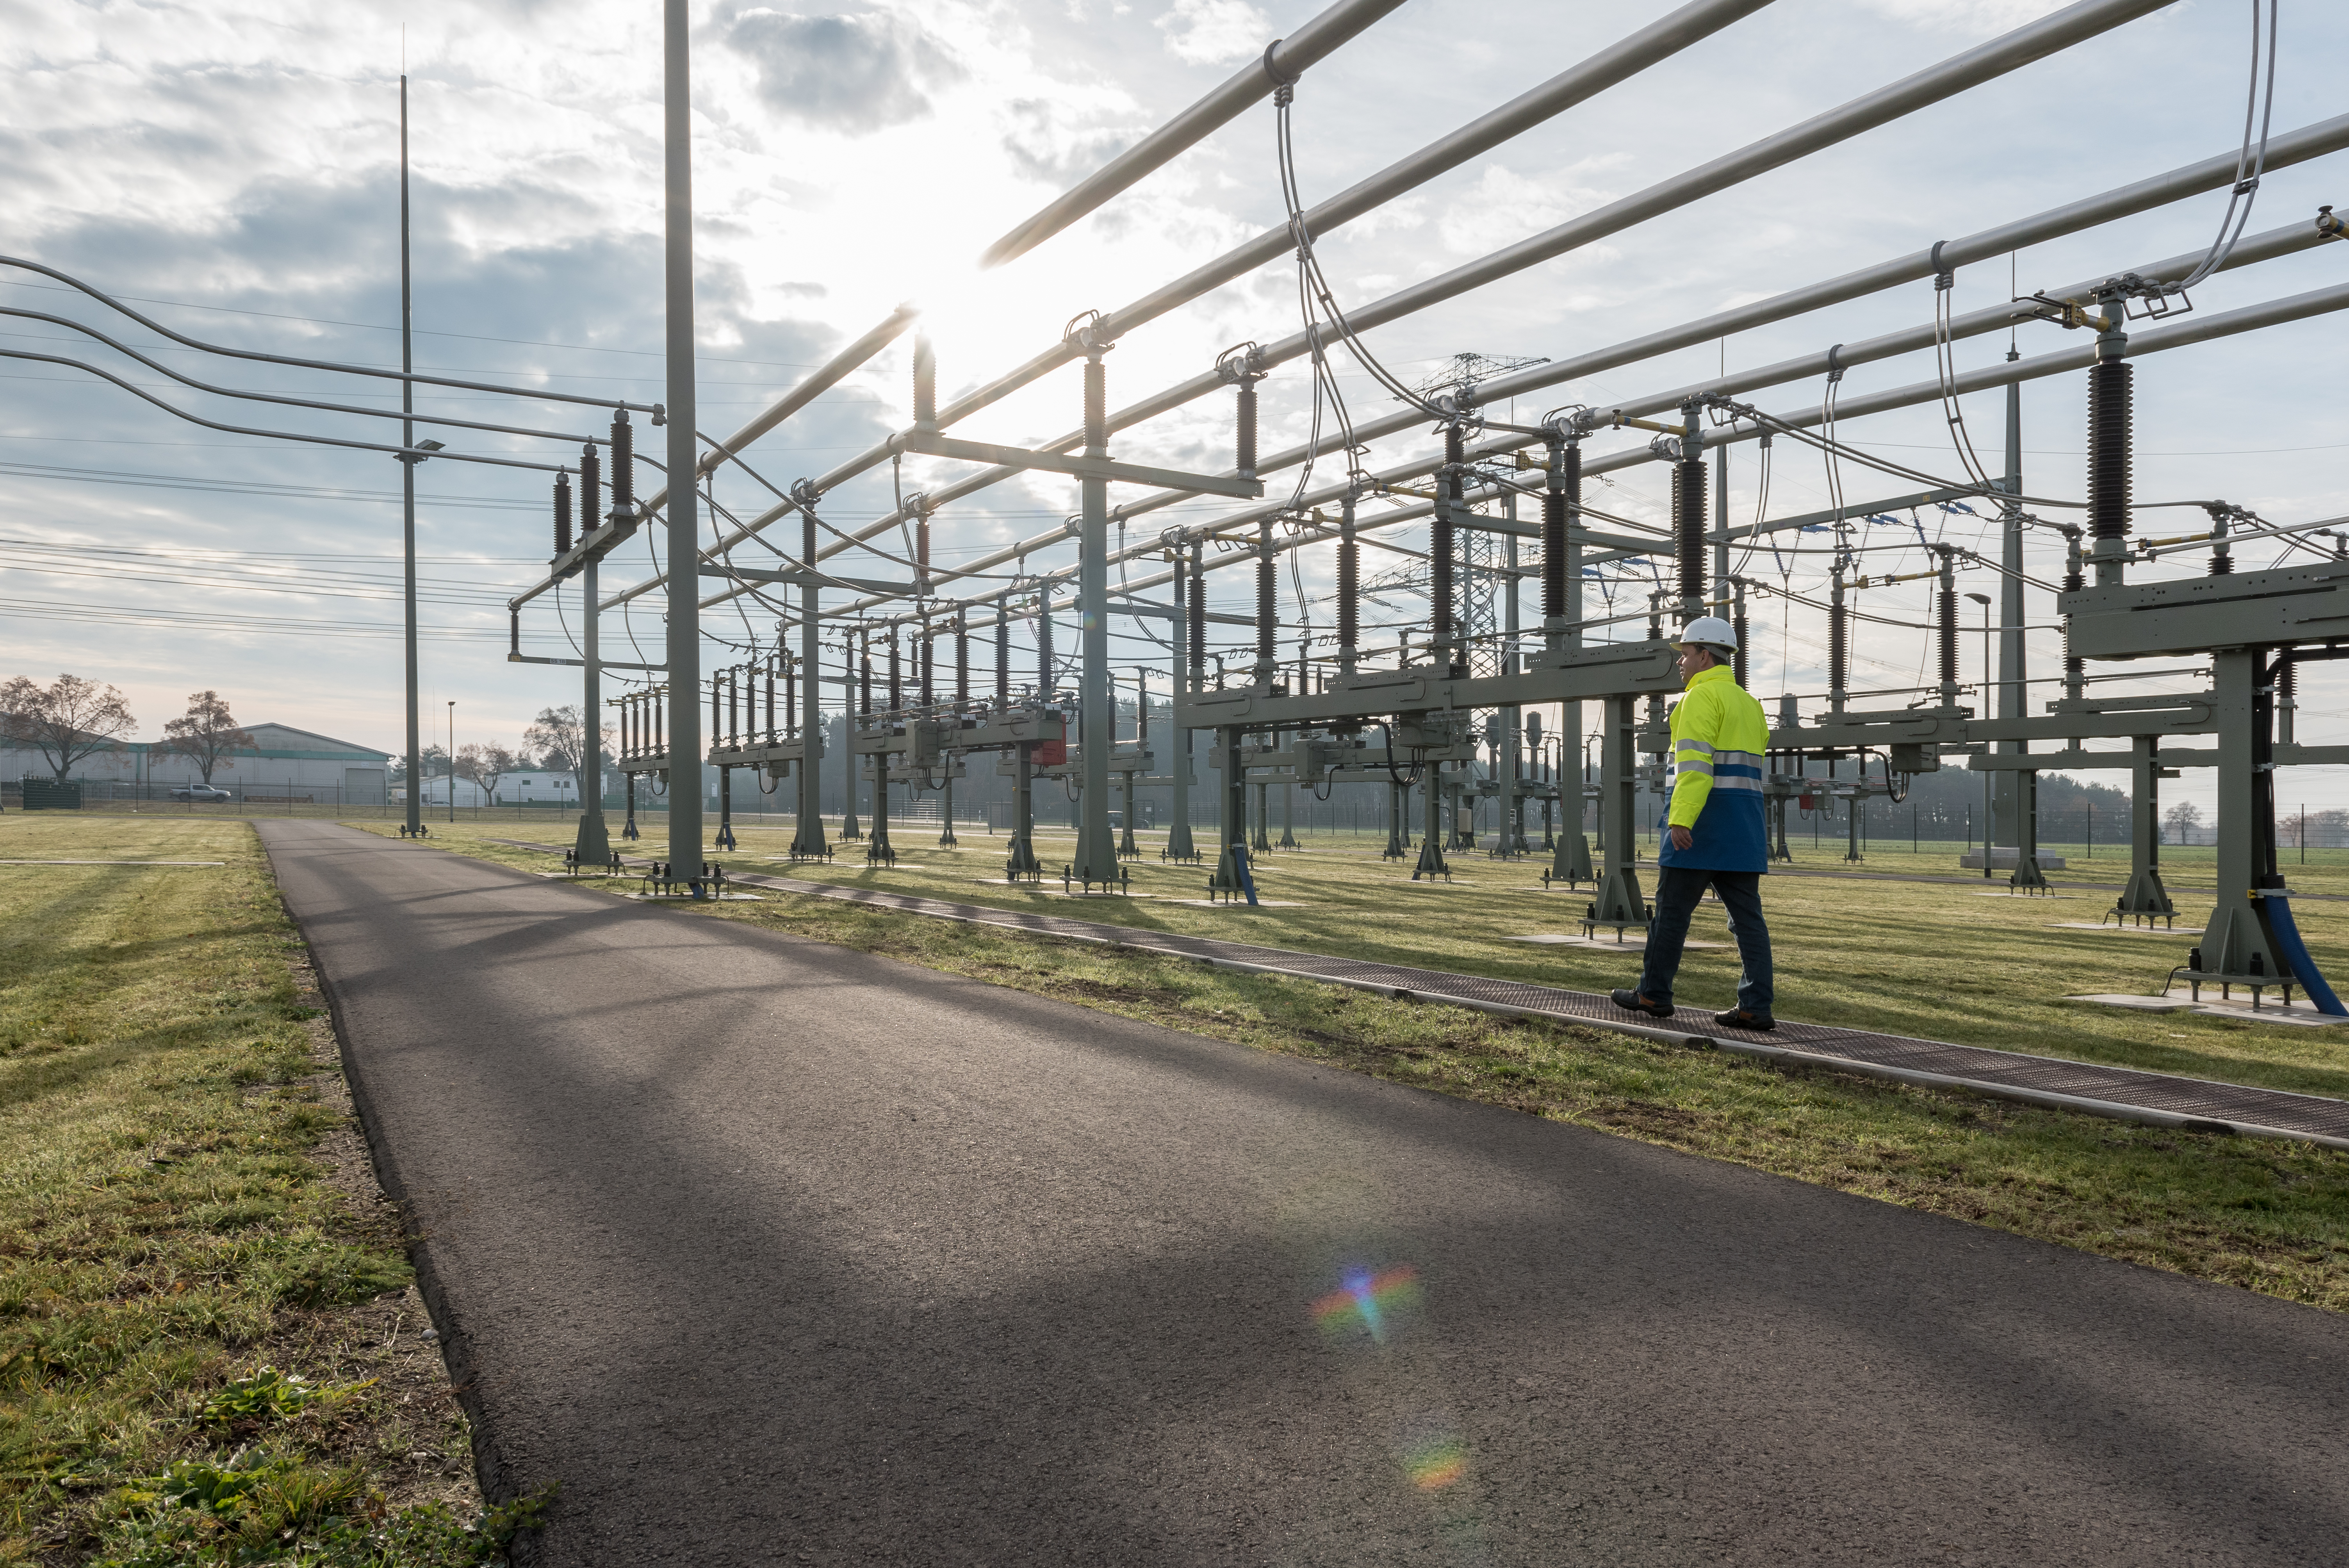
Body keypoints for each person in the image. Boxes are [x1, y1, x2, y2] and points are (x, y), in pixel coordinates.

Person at [1611, 616, 1776, 1030]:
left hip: (1701, 825)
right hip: (1744, 825)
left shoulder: (1696, 701)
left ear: (1704, 655)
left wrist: (1681, 819)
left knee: (1670, 916)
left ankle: (1653, 994)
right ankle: (1755, 1005)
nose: (1680, 663)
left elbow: (1696, 768)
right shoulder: (1749, 704)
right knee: (1748, 922)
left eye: (1684, 654)